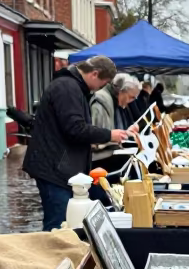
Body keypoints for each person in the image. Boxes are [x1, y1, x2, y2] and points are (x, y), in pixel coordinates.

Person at [22, 55, 130, 230]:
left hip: (58, 165)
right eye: (103, 83)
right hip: (54, 167)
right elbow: (75, 128)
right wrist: (109, 135)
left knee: (63, 220)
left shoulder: (71, 86)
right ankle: (55, 256)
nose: (101, 88)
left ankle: (60, 254)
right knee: (58, 223)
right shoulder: (67, 88)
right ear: (94, 74)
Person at [90, 73, 140, 167]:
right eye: (131, 97)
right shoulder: (102, 100)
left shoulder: (114, 101)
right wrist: (117, 136)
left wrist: (125, 133)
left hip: (105, 155)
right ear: (121, 91)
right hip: (98, 160)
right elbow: (96, 137)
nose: (132, 101)